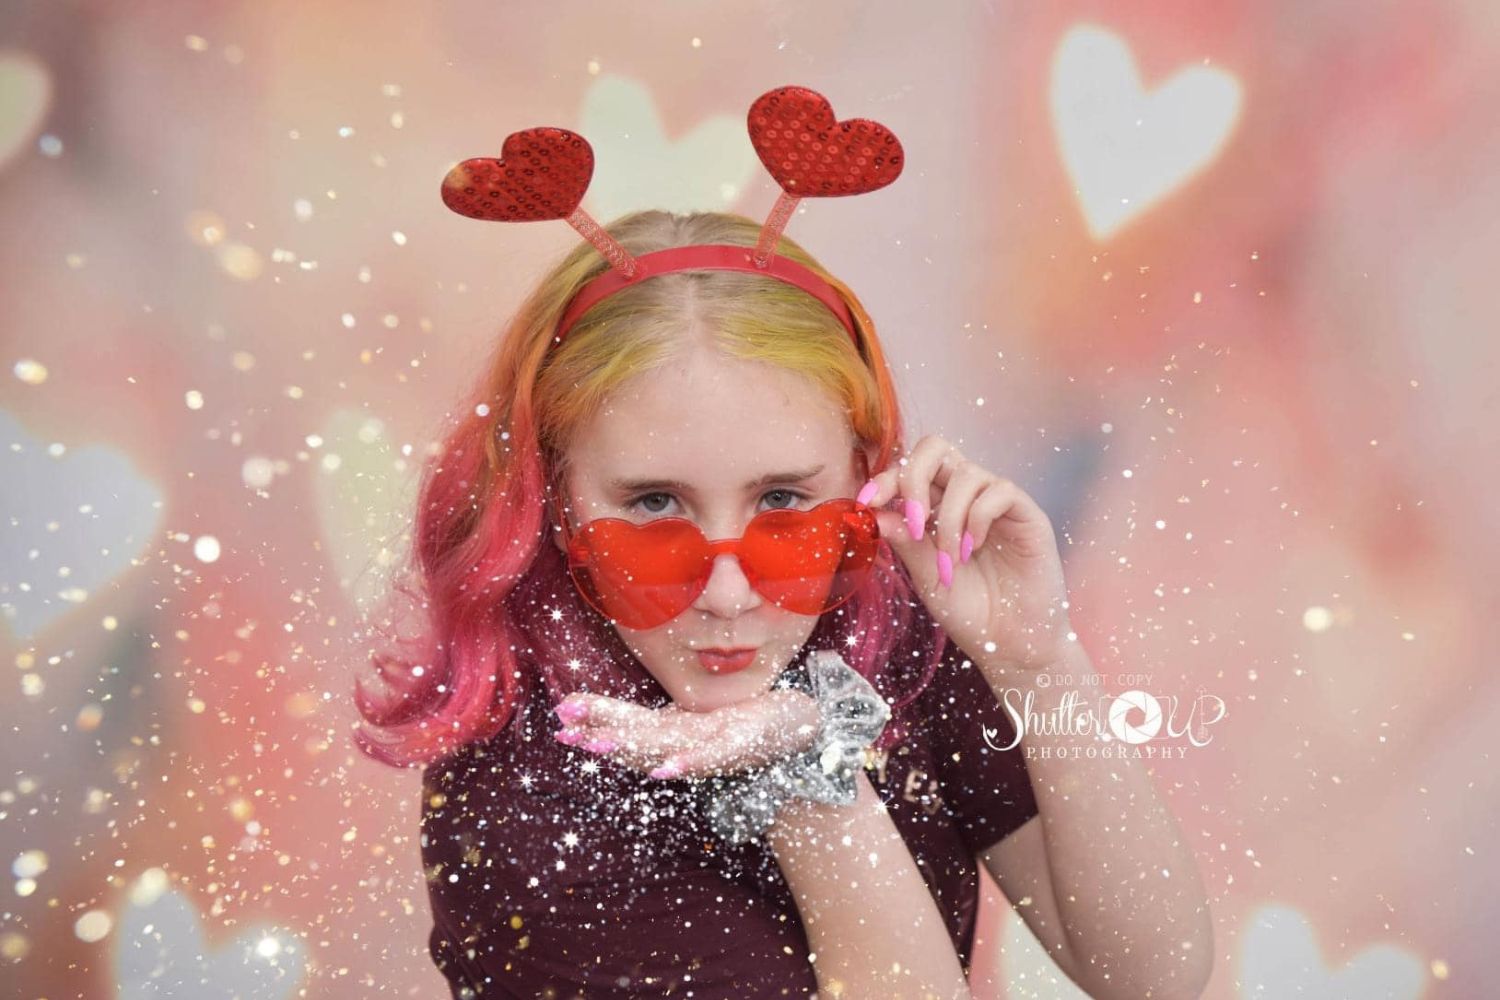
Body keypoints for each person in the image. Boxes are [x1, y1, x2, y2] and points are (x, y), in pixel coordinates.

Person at [355, 87, 1214, 999]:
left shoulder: (900, 638)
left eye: (783, 506)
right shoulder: (529, 786)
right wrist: (807, 782)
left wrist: (1038, 663)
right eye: (652, 506)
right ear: (555, 499)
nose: (728, 596)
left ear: (861, 476)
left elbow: (1153, 976)